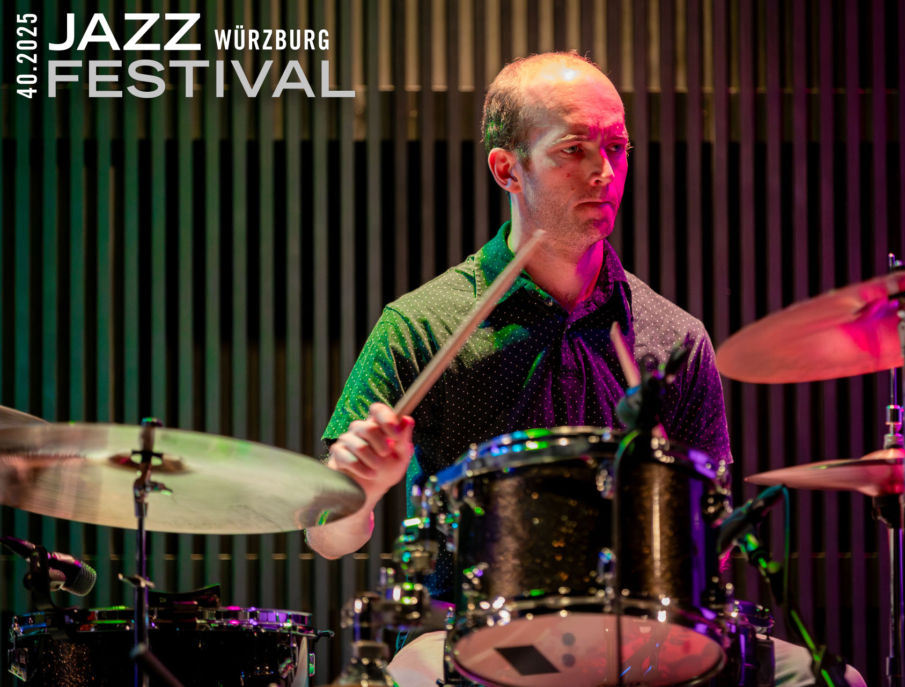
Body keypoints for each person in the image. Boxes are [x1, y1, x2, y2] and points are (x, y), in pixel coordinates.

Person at [306, 50, 865, 687]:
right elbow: (327, 537)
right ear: (508, 169)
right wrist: (359, 489)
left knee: (828, 681)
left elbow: (712, 531)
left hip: (645, 639)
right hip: (471, 638)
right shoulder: (421, 325)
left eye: (617, 148)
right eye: (573, 150)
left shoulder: (674, 337)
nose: (604, 172)